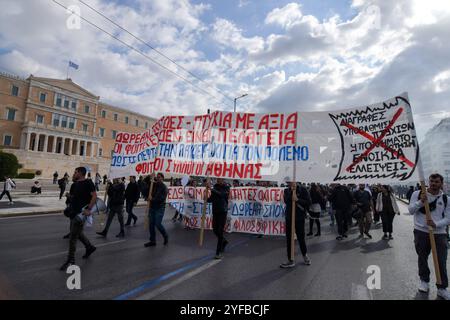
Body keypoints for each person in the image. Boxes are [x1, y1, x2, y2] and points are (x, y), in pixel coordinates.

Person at [408, 173, 450, 300]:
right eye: (431, 181)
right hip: (421, 232)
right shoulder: (417, 194)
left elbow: (448, 218)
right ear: (428, 181)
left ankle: (442, 288)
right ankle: (424, 281)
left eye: (436, 182)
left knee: (441, 261)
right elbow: (410, 210)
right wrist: (421, 202)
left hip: (439, 233)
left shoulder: (446, 199)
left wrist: (436, 224)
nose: (433, 184)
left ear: (441, 183)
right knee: (422, 258)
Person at [60, 167, 97, 271]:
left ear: (80, 173)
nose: (74, 173)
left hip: (81, 214)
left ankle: (70, 260)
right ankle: (89, 247)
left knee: (73, 237)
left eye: (75, 172)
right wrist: (69, 197)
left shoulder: (88, 183)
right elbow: (74, 198)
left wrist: (89, 209)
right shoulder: (74, 185)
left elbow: (94, 196)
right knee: (78, 233)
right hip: (73, 213)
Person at [280, 181, 312, 268]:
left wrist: (298, 200)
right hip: (289, 217)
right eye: (287, 182)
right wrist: (291, 192)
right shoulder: (286, 190)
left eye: (290, 181)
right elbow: (286, 201)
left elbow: (308, 202)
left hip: (299, 218)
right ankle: (290, 259)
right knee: (289, 239)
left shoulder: (303, 190)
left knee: (301, 238)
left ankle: (305, 256)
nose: (288, 183)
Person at [206, 178, 230, 259]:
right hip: (215, 211)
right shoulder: (215, 187)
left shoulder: (226, 187)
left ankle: (218, 252)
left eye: (220, 179)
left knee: (220, 231)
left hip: (223, 211)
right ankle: (224, 241)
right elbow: (212, 198)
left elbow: (221, 195)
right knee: (215, 230)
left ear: (223, 180)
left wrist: (211, 188)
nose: (218, 180)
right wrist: (207, 198)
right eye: (218, 179)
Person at [144, 173, 169, 247]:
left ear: (162, 178)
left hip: (160, 208)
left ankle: (165, 235)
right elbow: (145, 181)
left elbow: (162, 198)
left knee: (157, 224)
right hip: (152, 207)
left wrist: (153, 199)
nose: (157, 178)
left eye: (159, 177)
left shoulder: (164, 187)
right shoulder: (154, 184)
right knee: (151, 224)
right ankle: (152, 240)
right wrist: (149, 176)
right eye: (157, 177)